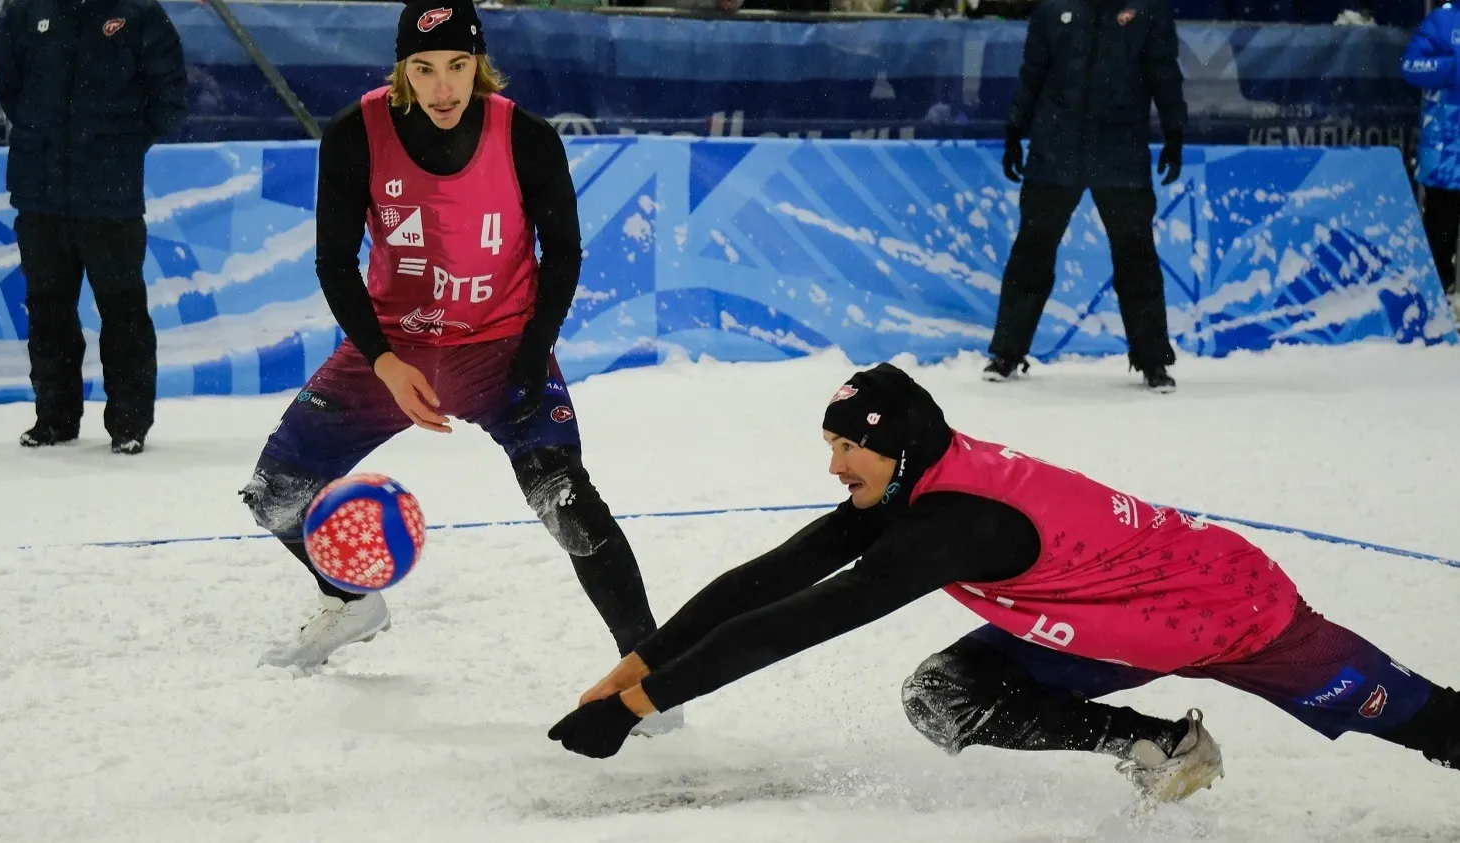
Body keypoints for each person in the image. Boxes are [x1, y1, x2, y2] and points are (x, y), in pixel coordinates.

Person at [547, 362, 1460, 802]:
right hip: (1113, 626)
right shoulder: (914, 478)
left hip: (1235, 611)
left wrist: (638, 708)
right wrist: (634, 668)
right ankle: (1161, 746)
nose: (832, 465)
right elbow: (765, 579)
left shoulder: (952, 523)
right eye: (829, 443)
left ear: (894, 446)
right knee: (944, 696)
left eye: (847, 445)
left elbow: (804, 618)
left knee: (1422, 718)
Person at [238, 0, 677, 733]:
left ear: (479, 64)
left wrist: (532, 351)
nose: (443, 88)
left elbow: (563, 251)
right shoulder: (355, 135)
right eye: (424, 68)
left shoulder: (525, 137)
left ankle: (650, 674)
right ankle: (351, 601)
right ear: (402, 70)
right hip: (393, 348)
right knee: (273, 495)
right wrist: (382, 362)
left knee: (569, 503)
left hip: (502, 346)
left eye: (457, 66)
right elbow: (333, 262)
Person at [0, 0, 188, 454]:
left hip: (110, 197)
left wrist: (120, 144)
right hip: (39, 192)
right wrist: (43, 133)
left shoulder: (138, 12)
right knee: (47, 310)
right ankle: (54, 419)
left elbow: (170, 96)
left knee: (123, 312)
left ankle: (129, 424)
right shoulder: (26, 11)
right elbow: (8, 87)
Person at [988, 0, 1186, 393]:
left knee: (1136, 255)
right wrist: (1014, 130)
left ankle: (1152, 361)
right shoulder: (1052, 8)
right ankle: (1006, 353)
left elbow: (1164, 73)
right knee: (1032, 250)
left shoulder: (1146, 9)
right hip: (1055, 150)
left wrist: (1174, 131)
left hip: (1121, 151)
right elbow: (1033, 72)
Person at [1400, 3, 1460, 311]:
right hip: (1447, 154)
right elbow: (1410, 66)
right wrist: (1452, 67)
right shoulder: (1443, 20)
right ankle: (1436, 301)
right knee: (1440, 229)